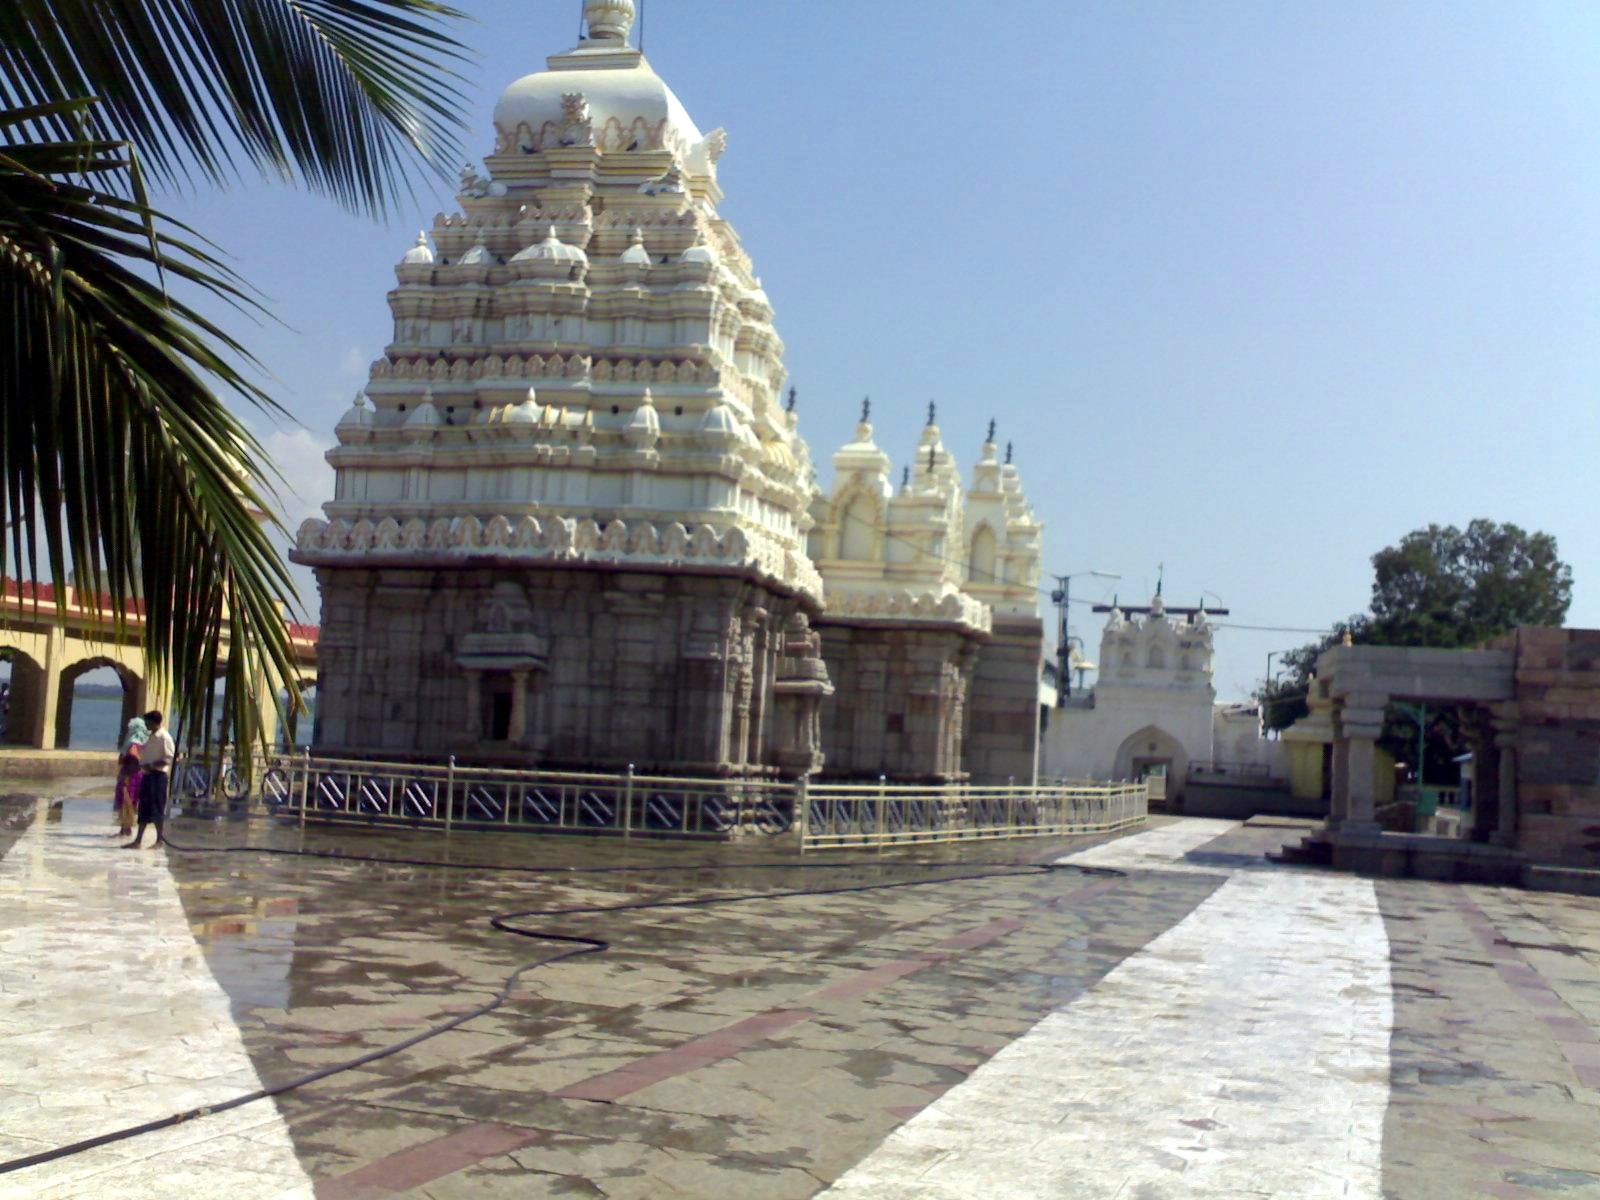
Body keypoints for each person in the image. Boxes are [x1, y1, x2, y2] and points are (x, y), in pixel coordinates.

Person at [124, 710, 174, 850]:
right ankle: (138, 840)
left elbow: (168, 758)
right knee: (144, 809)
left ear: (154, 722)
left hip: (158, 777)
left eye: (147, 722)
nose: (146, 725)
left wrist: (152, 765)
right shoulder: (150, 737)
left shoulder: (164, 737)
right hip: (147, 776)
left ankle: (159, 840)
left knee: (157, 809)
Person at [113, 751, 141, 838]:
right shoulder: (126, 773)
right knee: (124, 813)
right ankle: (124, 830)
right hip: (125, 796)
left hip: (130, 797)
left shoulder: (134, 774)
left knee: (127, 813)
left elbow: (136, 787)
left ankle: (126, 830)